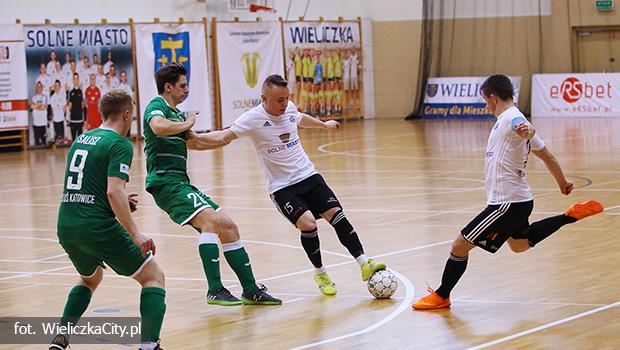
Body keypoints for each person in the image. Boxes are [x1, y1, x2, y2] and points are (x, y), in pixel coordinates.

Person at [412, 74, 604, 310]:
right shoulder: (511, 118)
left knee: (459, 245)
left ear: (493, 98)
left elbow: (521, 127)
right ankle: (569, 216)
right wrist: (562, 182)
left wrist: (527, 129)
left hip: (506, 204)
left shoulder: (511, 118)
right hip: (521, 201)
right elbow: (548, 156)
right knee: (520, 245)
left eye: (485, 100)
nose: (486, 105)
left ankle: (442, 295)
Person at [205, 75, 387, 296]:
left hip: (308, 175)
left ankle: (364, 262)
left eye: (286, 98)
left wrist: (324, 125)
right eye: (279, 100)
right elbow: (224, 136)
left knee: (336, 214)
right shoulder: (252, 119)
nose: (284, 104)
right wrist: (194, 139)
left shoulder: (289, 108)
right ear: (264, 98)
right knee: (308, 224)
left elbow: (300, 118)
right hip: (282, 187)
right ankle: (320, 273)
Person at [143, 63, 281, 306]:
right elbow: (157, 127)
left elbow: (195, 143)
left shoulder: (176, 115)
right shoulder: (158, 107)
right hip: (165, 184)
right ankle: (215, 289)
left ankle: (250, 290)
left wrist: (229, 136)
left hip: (181, 183)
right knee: (210, 221)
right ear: (168, 87)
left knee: (228, 226)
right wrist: (188, 122)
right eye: (182, 85)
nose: (186, 89)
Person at [48, 91, 166, 350]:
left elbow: (93, 190)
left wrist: (120, 203)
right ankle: (149, 345)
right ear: (126, 114)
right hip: (96, 227)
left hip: (67, 225)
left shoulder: (81, 139)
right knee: (153, 276)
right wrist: (136, 234)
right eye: (132, 115)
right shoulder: (119, 144)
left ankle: (61, 337)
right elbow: (113, 190)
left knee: (90, 278)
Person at [67, 73, 85, 141]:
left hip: (80, 118)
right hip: (73, 118)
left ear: (78, 80)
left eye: (77, 78)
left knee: (80, 139)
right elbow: (70, 106)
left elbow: (82, 105)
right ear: (73, 80)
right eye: (74, 78)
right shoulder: (71, 92)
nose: (76, 80)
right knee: (74, 139)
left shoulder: (81, 91)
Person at [31, 81, 49, 146]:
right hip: (36, 121)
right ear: (36, 88)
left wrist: (36, 106)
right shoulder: (33, 97)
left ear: (42, 88)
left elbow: (44, 107)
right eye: (37, 86)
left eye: (40, 86)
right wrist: (39, 106)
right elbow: (32, 106)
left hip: (43, 120)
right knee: (37, 143)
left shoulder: (44, 97)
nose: (39, 88)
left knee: (44, 142)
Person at [50, 80, 67, 144]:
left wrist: (65, 115)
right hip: (55, 117)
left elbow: (64, 107)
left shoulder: (62, 96)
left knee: (61, 132)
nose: (56, 87)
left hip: (61, 116)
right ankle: (57, 140)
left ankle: (62, 140)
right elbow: (52, 108)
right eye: (55, 86)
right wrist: (53, 115)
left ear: (60, 87)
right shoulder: (52, 97)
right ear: (54, 87)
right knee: (57, 132)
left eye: (58, 85)